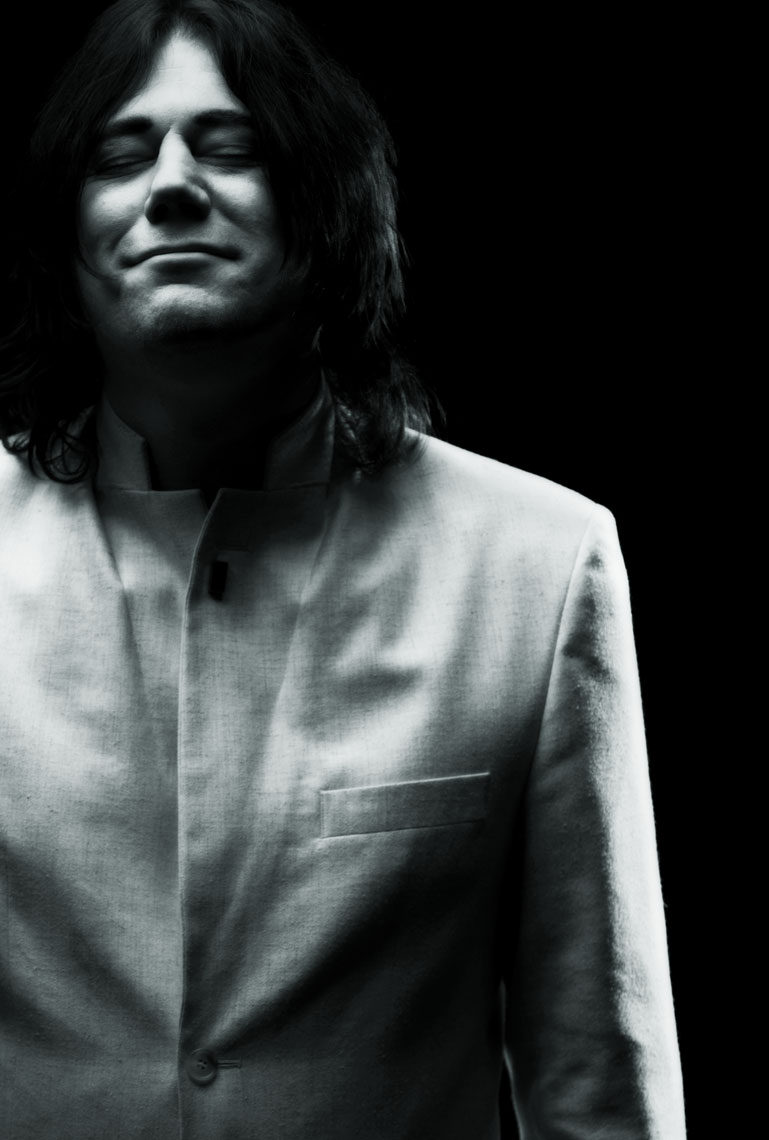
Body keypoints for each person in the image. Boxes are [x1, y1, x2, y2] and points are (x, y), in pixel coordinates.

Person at [0, 1, 686, 1137]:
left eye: (231, 147)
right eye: (118, 156)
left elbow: (596, 1082)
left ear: (328, 206)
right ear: (62, 236)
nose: (170, 186)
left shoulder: (536, 563)